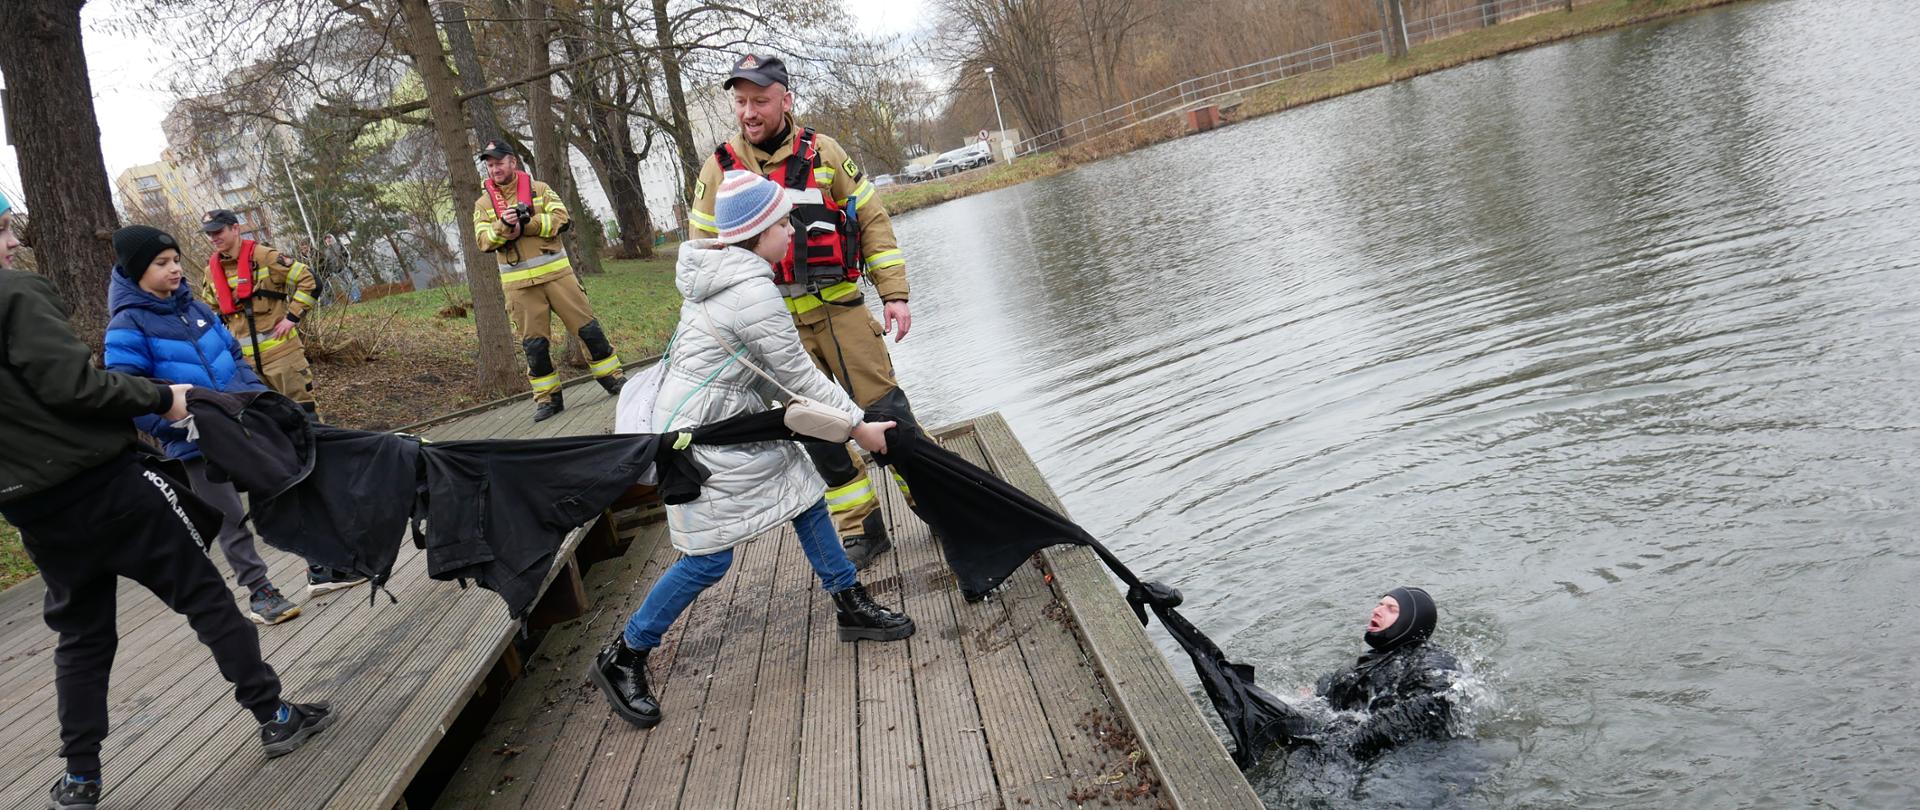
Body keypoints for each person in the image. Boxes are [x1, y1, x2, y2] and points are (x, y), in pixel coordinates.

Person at [0, 195, 334, 810]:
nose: (13, 241)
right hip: (105, 487)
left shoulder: (193, 306)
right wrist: (162, 398)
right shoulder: (15, 293)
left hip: (32, 508)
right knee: (205, 596)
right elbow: (76, 385)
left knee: (81, 637)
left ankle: (80, 778)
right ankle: (275, 713)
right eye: (1, 229)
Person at [593, 171, 915, 729]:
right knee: (708, 559)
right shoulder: (751, 289)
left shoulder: (730, 276)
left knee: (805, 495)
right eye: (784, 221)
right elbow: (801, 380)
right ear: (762, 229)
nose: (793, 230)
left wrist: (825, 421)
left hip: (724, 422)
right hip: (699, 439)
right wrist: (860, 424)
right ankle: (625, 654)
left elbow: (762, 373)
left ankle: (848, 601)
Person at [687, 54, 923, 570]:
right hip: (771, 326)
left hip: (841, 311)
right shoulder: (718, 168)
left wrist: (895, 293)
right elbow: (701, 250)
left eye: (760, 100)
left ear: (785, 100)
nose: (748, 112)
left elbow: (875, 222)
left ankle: (932, 502)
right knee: (816, 429)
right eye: (741, 101)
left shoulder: (826, 154)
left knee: (888, 414)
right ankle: (863, 528)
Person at [102, 224, 308, 625]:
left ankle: (319, 563)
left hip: (240, 421)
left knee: (283, 486)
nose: (174, 269)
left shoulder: (196, 309)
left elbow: (234, 355)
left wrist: (254, 399)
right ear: (136, 270)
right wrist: (172, 425)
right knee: (228, 514)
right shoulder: (127, 325)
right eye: (161, 263)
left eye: (176, 260)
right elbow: (127, 390)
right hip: (193, 439)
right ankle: (259, 589)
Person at [471, 139, 626, 422]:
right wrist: (504, 226)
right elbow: (483, 241)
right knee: (535, 347)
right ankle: (548, 400)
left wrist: (527, 224)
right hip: (520, 288)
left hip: (558, 277)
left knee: (589, 331)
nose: (494, 169)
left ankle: (613, 379)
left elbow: (562, 218)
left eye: (499, 163)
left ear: (512, 163)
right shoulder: (483, 204)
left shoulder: (539, 189)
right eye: (490, 165)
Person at [1305, 587, 1464, 759]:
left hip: (1405, 758)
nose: (1377, 611)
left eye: (1391, 609)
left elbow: (1435, 704)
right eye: (1380, 604)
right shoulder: (1370, 659)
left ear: (1411, 620)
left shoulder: (1433, 659)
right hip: (1339, 739)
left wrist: (1352, 739)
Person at [199, 209, 320, 417]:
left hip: (282, 355)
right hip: (246, 366)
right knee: (270, 421)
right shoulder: (211, 271)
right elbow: (209, 310)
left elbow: (310, 281)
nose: (213, 238)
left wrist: (292, 318)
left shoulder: (264, 256)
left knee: (304, 413)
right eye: (209, 234)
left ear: (235, 228)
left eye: (218, 231)